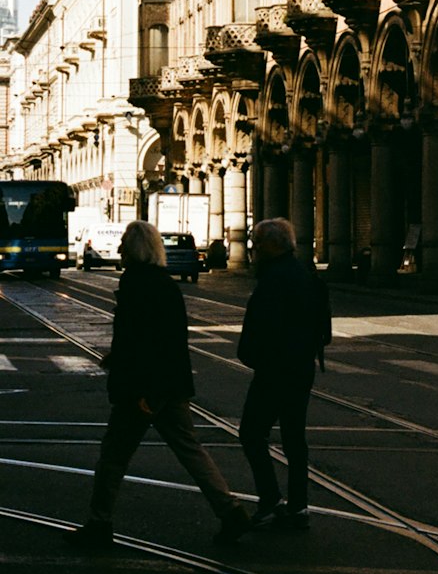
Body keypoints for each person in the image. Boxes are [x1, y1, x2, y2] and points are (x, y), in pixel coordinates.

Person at [68, 221, 249, 550]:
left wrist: (142, 390)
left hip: (142, 390)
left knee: (113, 457)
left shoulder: (136, 284)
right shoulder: (164, 284)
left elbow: (143, 343)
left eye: (124, 243)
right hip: (170, 385)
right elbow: (168, 340)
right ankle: (230, 510)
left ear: (135, 249)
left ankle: (99, 523)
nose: (120, 248)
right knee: (191, 451)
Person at [238, 217, 324, 529]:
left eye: (258, 243)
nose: (254, 249)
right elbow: (321, 329)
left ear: (272, 245)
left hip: (274, 371)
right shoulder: (306, 275)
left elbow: (258, 329)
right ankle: (298, 507)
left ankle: (271, 499)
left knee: (250, 432)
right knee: (294, 438)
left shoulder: (272, 279)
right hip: (301, 368)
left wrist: (252, 356)